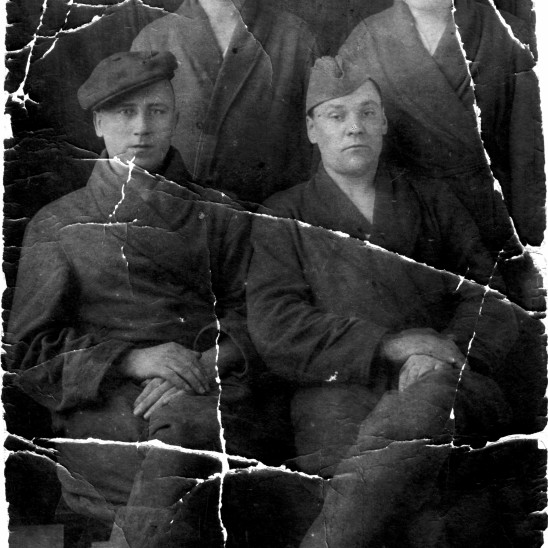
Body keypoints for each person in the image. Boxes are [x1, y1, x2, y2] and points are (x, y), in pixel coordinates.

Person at [5, 51, 281, 548]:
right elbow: (27, 354)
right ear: (98, 123)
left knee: (192, 427)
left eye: (156, 111)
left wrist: (203, 364)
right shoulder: (60, 223)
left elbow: (262, 317)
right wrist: (133, 360)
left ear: (175, 118)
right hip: (107, 402)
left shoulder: (220, 213)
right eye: (125, 113)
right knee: (178, 448)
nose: (141, 128)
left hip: (211, 389)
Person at [246, 56, 518, 546]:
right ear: (311, 130)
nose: (355, 127)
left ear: (385, 123)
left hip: (449, 382)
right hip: (336, 397)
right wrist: (390, 346)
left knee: (424, 414)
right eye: (337, 115)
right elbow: (277, 326)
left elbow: (491, 298)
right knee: (416, 520)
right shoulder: (283, 216)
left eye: (368, 112)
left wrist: (441, 352)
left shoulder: (433, 199)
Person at [338, 0, 545, 309]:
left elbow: (529, 146)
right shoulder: (367, 38)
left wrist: (528, 236)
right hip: (412, 222)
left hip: (493, 221)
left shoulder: (506, 33)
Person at [131, 0, 319, 204]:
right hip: (175, 212)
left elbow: (319, 151)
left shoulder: (296, 37)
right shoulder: (154, 39)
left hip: (268, 215)